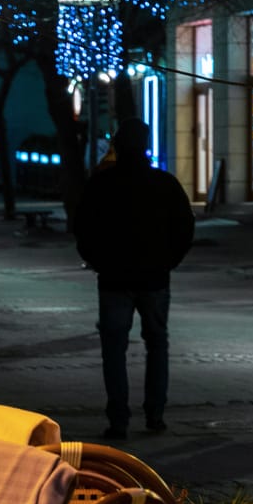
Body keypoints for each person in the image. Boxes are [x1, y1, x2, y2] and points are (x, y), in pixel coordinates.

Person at [74, 118, 195, 439]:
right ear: (145, 145)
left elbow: (83, 227)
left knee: (114, 348)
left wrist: (97, 260)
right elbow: (185, 227)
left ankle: (119, 419)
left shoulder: (101, 184)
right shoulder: (164, 184)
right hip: (155, 277)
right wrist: (168, 261)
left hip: (113, 279)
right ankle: (155, 414)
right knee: (157, 344)